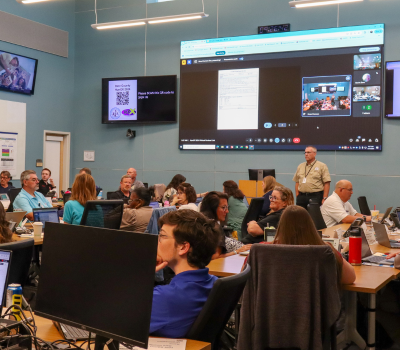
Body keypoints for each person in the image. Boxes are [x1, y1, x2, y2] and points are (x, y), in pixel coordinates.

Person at [151, 209, 220, 337]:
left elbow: (112, 318)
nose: (157, 241)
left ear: (183, 247)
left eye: (162, 236)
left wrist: (140, 276)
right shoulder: (214, 283)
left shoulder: (164, 298)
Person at [271, 205, 356, 284]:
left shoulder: (264, 249)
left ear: (281, 226)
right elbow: (350, 278)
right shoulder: (325, 250)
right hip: (316, 300)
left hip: (275, 300)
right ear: (310, 225)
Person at [200, 191, 251, 257]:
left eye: (227, 207)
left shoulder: (202, 222)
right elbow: (215, 256)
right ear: (212, 208)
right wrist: (237, 252)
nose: (227, 211)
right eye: (223, 207)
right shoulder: (213, 227)